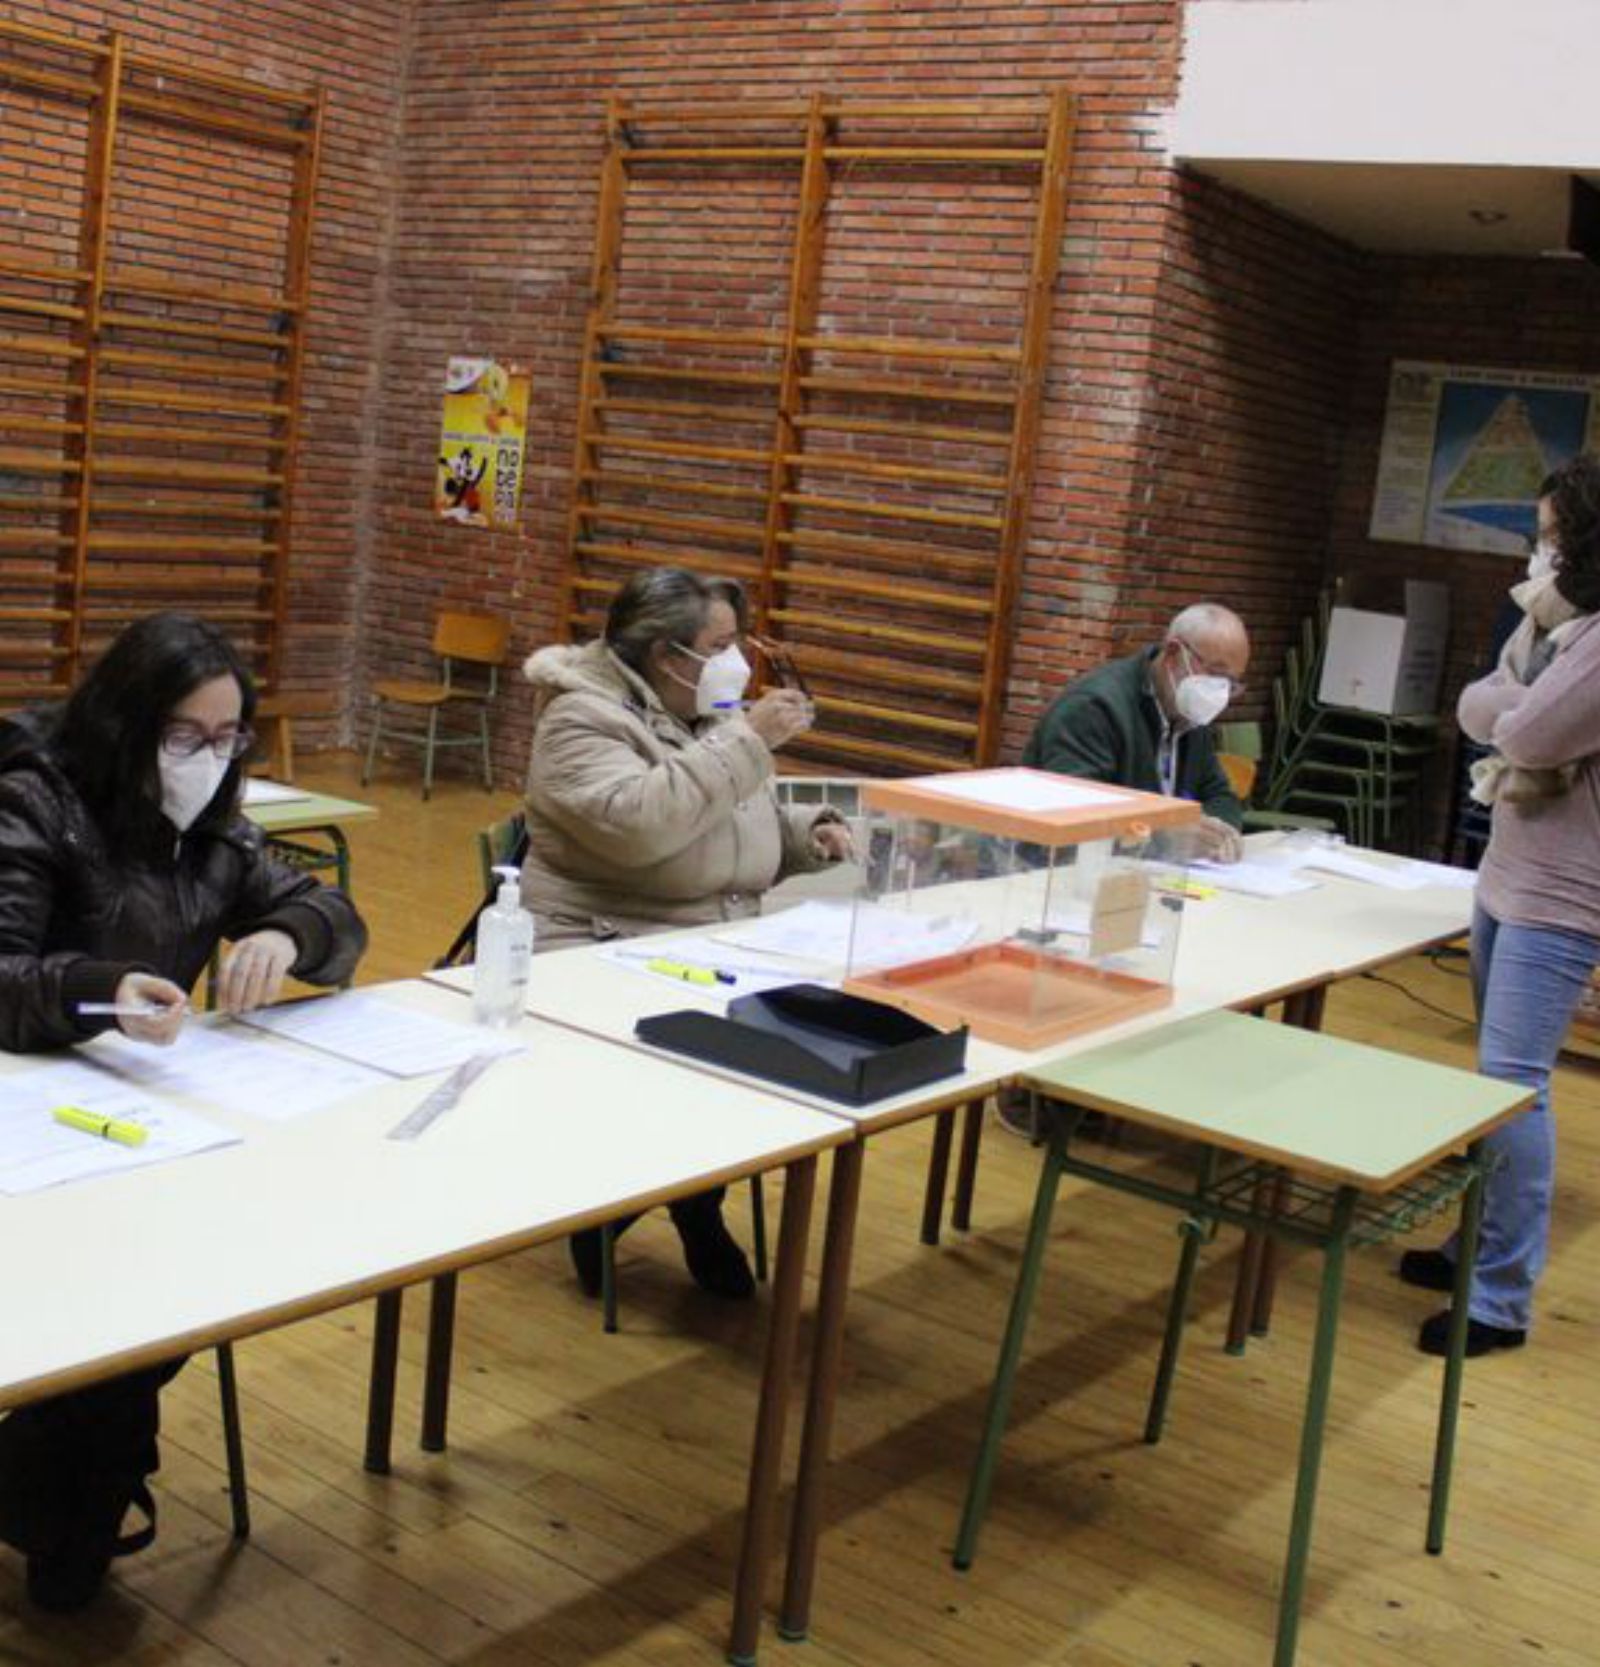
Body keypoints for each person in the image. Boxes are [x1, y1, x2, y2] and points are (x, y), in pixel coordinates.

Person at [0, 612, 367, 1610]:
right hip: (29, 1108)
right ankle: (66, 1501)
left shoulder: (212, 830)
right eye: (184, 737)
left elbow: (336, 914)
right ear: (127, 723)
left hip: (143, 1118)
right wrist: (98, 988)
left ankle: (66, 1487)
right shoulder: (37, 801)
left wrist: (291, 935)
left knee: (179, 1279)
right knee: (115, 1298)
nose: (206, 760)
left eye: (225, 738)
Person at [520, 567, 851, 1300]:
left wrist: (804, 834)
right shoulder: (580, 719)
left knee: (796, 1047)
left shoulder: (705, 710)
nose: (739, 660)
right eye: (724, 643)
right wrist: (747, 742)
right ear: (670, 656)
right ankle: (654, 1203)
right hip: (601, 946)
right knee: (706, 1063)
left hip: (699, 940)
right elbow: (642, 825)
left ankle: (676, 1197)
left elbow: (722, 819)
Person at [1399, 454, 1600, 1357]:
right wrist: (1515, 702)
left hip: (1564, 894)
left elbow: (1517, 726)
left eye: (1552, 531)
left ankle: (1500, 1298)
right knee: (1490, 1084)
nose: (1540, 547)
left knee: (1515, 1089)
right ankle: (1471, 1243)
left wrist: (1513, 705)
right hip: (1509, 870)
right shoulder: (1555, 624)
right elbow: (1478, 702)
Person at [1021, 603, 1250, 864]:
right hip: (1051, 879)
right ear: (1174, 654)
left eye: (1231, 682)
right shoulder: (1093, 708)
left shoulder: (1190, 713)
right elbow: (1075, 820)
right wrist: (1165, 839)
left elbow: (1220, 795)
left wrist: (1219, 833)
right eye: (1216, 673)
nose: (1220, 692)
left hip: (1148, 877)